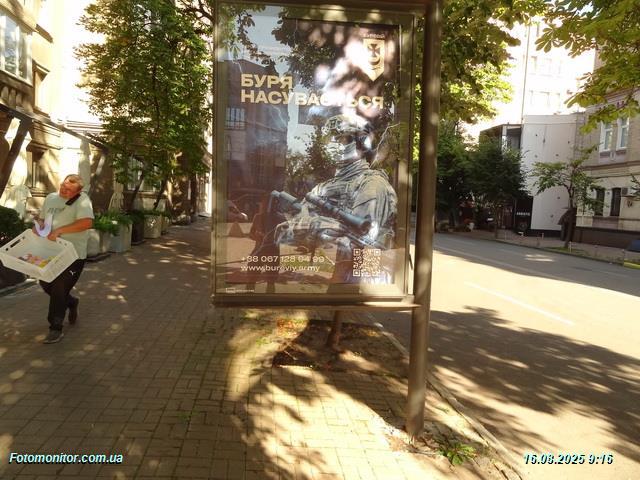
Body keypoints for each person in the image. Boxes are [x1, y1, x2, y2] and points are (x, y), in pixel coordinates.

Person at [275, 113, 397, 283]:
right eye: (328, 140)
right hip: (333, 276)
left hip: (358, 281)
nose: (332, 145)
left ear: (361, 142)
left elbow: (366, 245)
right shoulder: (323, 187)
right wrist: (309, 227)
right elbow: (288, 234)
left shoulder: (372, 184)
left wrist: (316, 227)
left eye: (341, 139)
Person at [36, 174, 94, 344]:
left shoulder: (82, 200)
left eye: (68, 189)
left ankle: (55, 328)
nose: (63, 190)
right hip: (50, 251)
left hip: (73, 254)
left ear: (78, 192)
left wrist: (60, 230)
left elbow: (87, 223)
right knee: (46, 283)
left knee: (59, 287)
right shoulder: (51, 198)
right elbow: (42, 218)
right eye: (62, 186)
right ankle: (71, 302)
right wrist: (39, 225)